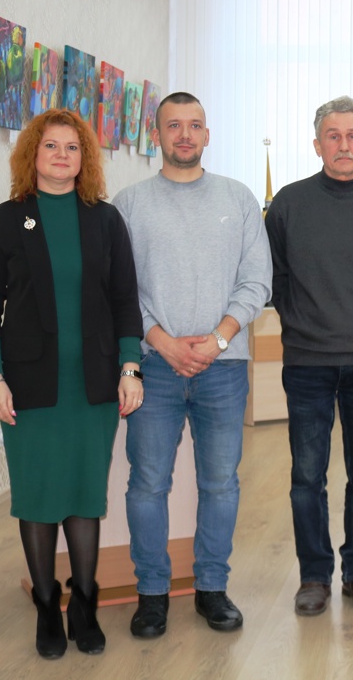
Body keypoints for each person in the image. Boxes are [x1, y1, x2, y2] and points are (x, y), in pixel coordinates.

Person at [0, 109, 144, 659]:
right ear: (33, 154)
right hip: (28, 386)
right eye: (51, 146)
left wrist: (130, 367)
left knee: (84, 495)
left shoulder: (105, 220)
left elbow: (125, 300)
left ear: (84, 158)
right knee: (39, 495)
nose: (62, 156)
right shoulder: (6, 220)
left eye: (72, 147)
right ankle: (47, 604)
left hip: (92, 386)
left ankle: (85, 602)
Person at [112, 92, 272, 638]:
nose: (185, 134)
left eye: (195, 125)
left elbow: (257, 281)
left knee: (221, 484)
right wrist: (163, 342)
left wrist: (217, 341)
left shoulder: (238, 198)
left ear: (208, 134)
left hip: (223, 369)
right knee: (147, 484)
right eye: (174, 125)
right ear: (157, 135)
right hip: (154, 368)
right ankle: (152, 593)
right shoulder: (130, 204)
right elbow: (119, 290)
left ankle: (212, 588)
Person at [266, 96, 353, 617]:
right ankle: (313, 576)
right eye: (333, 136)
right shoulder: (288, 204)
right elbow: (276, 278)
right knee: (307, 477)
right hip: (307, 360)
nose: (343, 145)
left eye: (352, 136)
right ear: (317, 144)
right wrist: (303, 322)